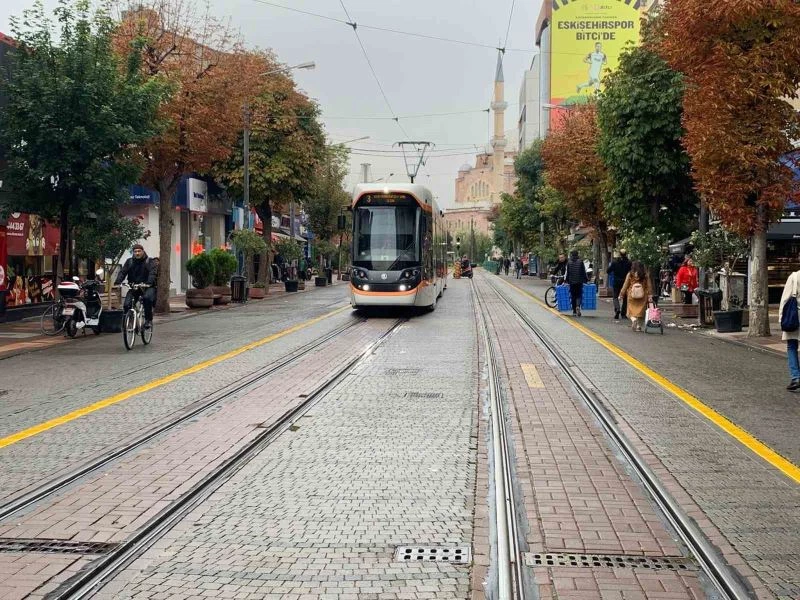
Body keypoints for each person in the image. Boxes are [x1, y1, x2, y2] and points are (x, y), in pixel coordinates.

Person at [115, 244, 156, 329]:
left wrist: (149, 282)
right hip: (134, 287)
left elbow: (152, 273)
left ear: (143, 251)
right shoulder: (129, 261)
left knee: (147, 299)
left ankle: (148, 320)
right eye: (135, 251)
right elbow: (123, 272)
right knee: (127, 304)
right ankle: (129, 321)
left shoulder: (149, 261)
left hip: (147, 287)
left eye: (139, 251)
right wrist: (118, 281)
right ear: (133, 252)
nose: (137, 253)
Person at [779, 265, 800, 391]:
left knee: (791, 346)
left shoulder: (794, 277)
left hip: (794, 315)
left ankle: (796, 377)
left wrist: (781, 318)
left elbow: (785, 300)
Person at [620, 260, 652, 332]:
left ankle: (633, 319)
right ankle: (638, 327)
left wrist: (621, 294)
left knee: (630, 311)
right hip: (642, 295)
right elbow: (649, 286)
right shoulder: (645, 275)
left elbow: (625, 285)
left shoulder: (630, 274)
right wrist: (650, 295)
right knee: (641, 312)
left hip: (632, 295)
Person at [607, 249, 632, 321]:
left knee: (615, 296)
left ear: (620, 254)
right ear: (626, 254)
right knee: (625, 298)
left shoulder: (615, 262)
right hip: (625, 282)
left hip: (616, 282)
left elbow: (608, 271)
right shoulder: (629, 263)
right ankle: (623, 314)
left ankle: (617, 309)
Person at [566, 250, 588, 316]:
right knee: (579, 295)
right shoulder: (580, 262)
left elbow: (568, 273)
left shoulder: (569, 262)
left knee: (573, 296)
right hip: (579, 281)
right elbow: (583, 272)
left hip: (571, 282)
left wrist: (566, 280)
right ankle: (578, 306)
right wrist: (586, 280)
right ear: (577, 254)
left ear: (571, 255)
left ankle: (574, 311)